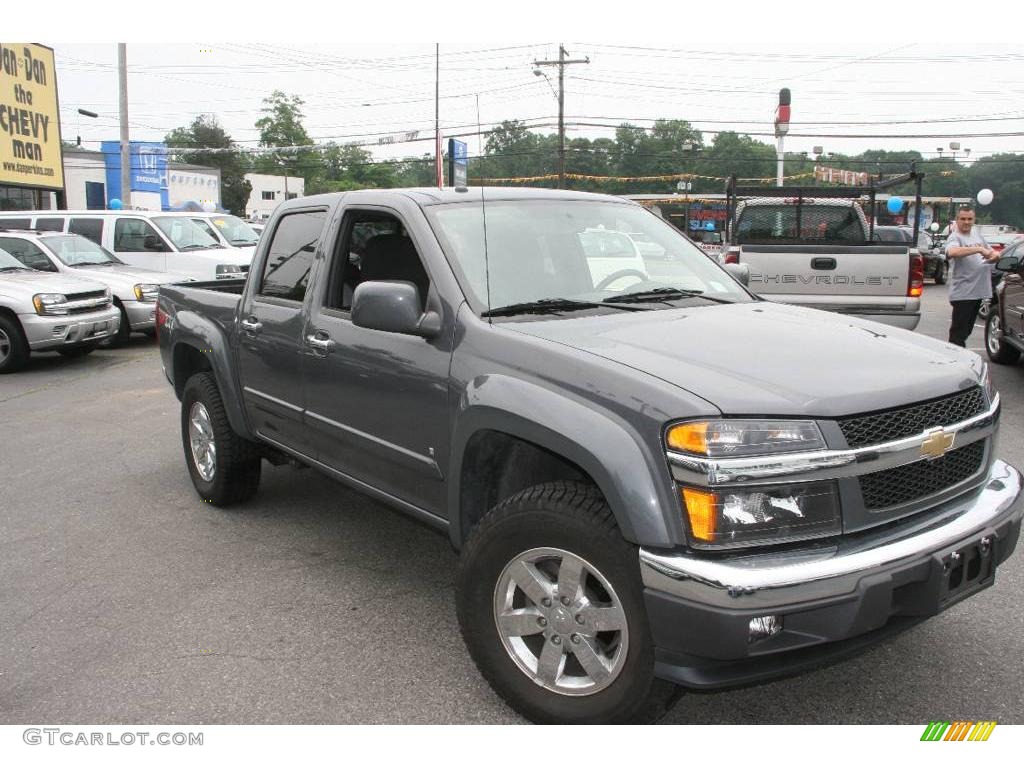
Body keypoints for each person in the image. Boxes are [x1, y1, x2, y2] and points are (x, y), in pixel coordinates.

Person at [944, 206, 1000, 347]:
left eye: (969, 219)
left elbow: (992, 253)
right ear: (957, 220)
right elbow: (952, 252)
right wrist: (979, 249)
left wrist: (994, 256)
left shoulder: (977, 235)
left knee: (966, 331)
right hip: (963, 293)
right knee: (958, 334)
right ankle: (955, 360)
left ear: (974, 220)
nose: (966, 222)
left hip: (977, 292)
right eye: (963, 219)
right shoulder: (955, 237)